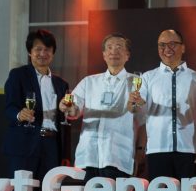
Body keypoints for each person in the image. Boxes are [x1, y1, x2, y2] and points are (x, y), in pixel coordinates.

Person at [141, 29, 196, 191]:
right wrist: (135, 103)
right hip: (158, 149)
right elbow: (137, 110)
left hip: (187, 149)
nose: (167, 49)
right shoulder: (147, 78)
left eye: (172, 44)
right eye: (162, 45)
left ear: (183, 47)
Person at [2, 29, 69, 191]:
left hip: (51, 144)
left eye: (47, 49)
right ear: (29, 52)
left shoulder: (61, 84)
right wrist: (19, 114)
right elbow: (9, 107)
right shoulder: (18, 75)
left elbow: (65, 117)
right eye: (38, 49)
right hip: (24, 143)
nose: (42, 54)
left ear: (53, 53)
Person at [59, 34, 145, 180]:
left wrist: (140, 151)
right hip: (88, 155)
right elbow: (74, 109)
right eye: (109, 48)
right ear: (104, 55)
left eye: (119, 47)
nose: (114, 51)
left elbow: (143, 121)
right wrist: (68, 107)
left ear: (127, 55)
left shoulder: (137, 82)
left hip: (118, 156)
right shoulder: (89, 82)